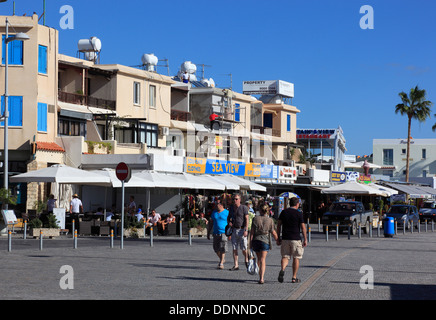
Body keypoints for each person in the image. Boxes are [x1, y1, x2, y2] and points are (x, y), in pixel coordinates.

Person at [276, 197, 307, 284]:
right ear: (297, 204)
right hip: (295, 238)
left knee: (285, 256)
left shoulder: (283, 212)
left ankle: (282, 269)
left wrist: (278, 237)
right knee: (296, 257)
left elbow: (278, 225)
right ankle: (294, 277)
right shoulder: (299, 213)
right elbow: (303, 227)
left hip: (285, 238)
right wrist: (305, 239)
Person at [250, 204, 279, 284]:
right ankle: (261, 278)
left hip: (256, 240)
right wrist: (277, 240)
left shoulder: (255, 219)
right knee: (263, 259)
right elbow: (273, 232)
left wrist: (250, 243)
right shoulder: (270, 220)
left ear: (260, 210)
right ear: (267, 211)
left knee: (259, 259)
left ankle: (260, 275)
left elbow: (252, 233)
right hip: (265, 241)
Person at [227, 193, 249, 271]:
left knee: (244, 248)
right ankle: (236, 265)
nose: (235, 200)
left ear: (240, 200)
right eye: (234, 199)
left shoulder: (244, 207)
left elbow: (247, 219)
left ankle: (246, 259)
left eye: (236, 199)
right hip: (234, 230)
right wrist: (229, 222)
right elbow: (228, 217)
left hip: (242, 229)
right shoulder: (231, 208)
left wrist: (246, 230)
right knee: (234, 248)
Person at [207, 201, 229, 270]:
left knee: (222, 248)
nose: (216, 205)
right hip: (215, 233)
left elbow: (230, 222)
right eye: (216, 204)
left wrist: (230, 232)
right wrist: (208, 232)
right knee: (216, 248)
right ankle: (222, 259)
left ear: (222, 205)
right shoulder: (214, 212)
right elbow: (211, 222)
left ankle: (221, 263)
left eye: (218, 204)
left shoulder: (227, 212)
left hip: (224, 233)